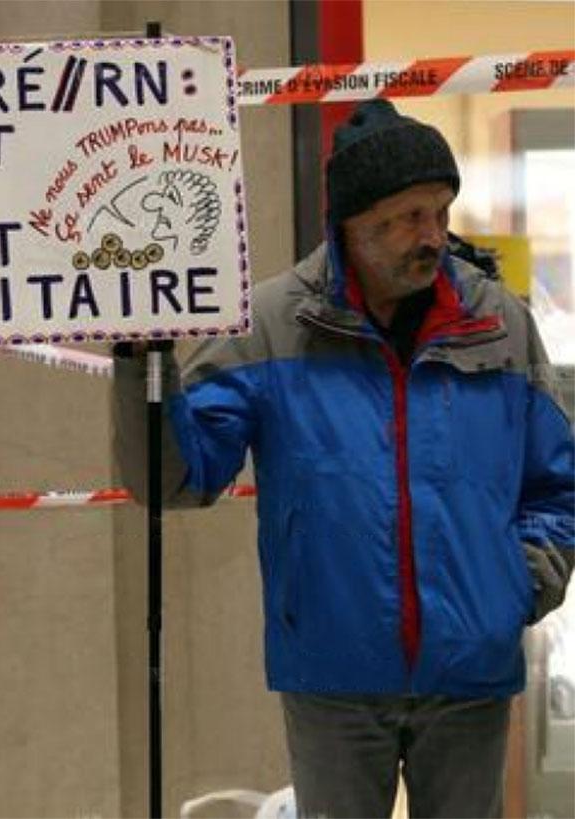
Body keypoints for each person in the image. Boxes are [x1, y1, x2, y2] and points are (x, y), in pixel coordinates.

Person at [112, 100, 573, 817]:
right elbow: (179, 475)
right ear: (352, 223)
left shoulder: (497, 322)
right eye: (409, 216)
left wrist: (519, 583)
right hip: (331, 673)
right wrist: (144, 373)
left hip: (471, 672)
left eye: (440, 210)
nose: (434, 235)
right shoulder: (270, 325)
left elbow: (557, 480)